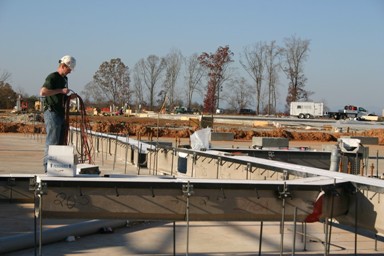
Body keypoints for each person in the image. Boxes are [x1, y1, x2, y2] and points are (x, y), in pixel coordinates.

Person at [40, 55, 76, 172]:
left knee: (60, 142)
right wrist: (61, 90)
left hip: (60, 113)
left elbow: (60, 97)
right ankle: (47, 168)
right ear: (63, 66)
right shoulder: (53, 77)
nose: (70, 72)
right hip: (52, 112)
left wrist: (69, 97)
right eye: (69, 69)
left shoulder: (64, 79)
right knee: (52, 141)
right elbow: (43, 92)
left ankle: (58, 169)